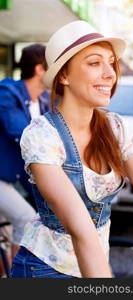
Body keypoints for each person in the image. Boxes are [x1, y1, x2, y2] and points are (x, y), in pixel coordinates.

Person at [10, 20, 133, 278]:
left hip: (95, 263)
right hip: (43, 270)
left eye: (111, 62)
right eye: (94, 63)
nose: (110, 73)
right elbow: (80, 228)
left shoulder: (115, 128)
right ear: (64, 76)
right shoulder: (42, 135)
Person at [0, 44, 50, 260]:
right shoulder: (7, 93)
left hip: (15, 179)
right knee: (26, 220)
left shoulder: (43, 101)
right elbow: (21, 133)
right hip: (2, 177)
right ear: (40, 69)